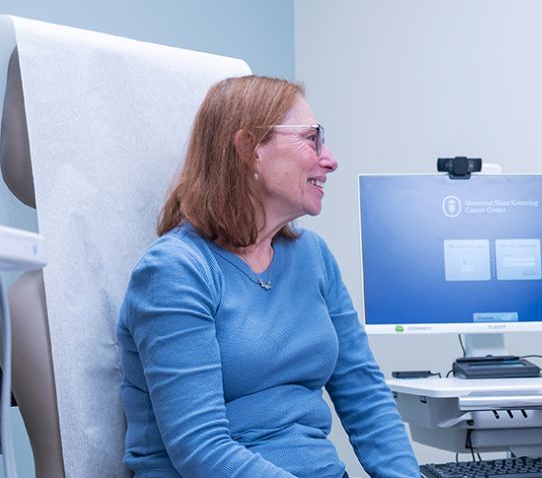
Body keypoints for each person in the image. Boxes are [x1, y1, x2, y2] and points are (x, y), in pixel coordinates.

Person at [116, 75, 418, 477]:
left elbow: (365, 395)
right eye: (311, 139)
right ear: (249, 149)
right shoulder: (175, 272)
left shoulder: (313, 257)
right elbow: (202, 450)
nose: (329, 159)